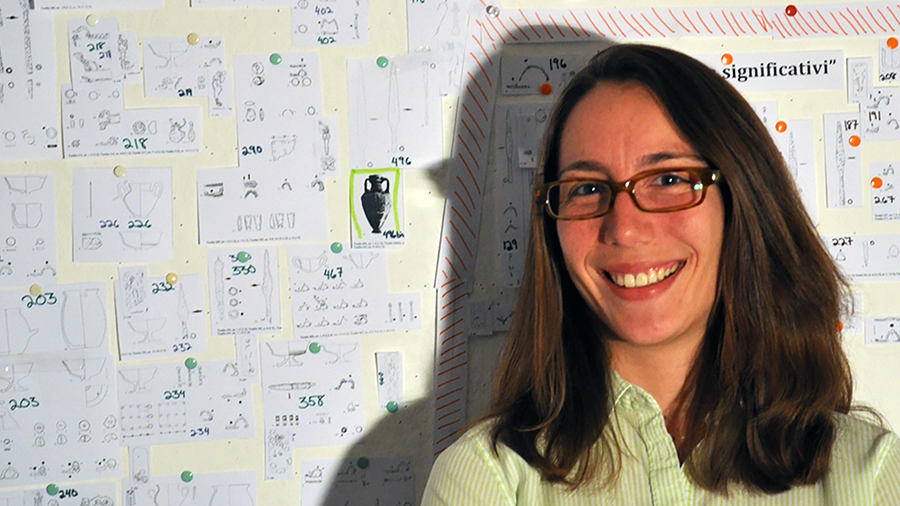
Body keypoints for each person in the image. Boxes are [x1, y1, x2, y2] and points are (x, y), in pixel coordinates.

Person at [422, 44, 900, 504]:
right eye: (586, 188)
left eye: (669, 179)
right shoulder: (486, 480)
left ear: (743, 201)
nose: (624, 229)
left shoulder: (871, 474)